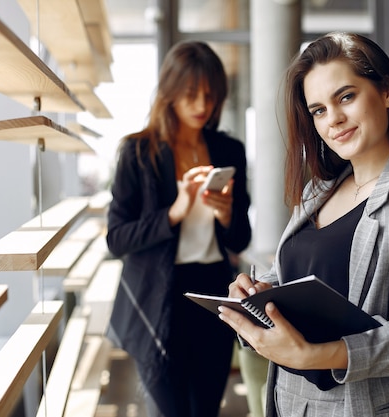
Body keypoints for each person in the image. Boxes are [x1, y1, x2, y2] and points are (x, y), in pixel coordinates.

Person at [218, 32, 389, 417]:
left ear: (387, 93)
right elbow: (292, 275)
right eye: (318, 109)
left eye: (346, 97)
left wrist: (312, 355)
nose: (333, 119)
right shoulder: (318, 189)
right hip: (290, 402)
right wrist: (261, 291)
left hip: (365, 406)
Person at [105, 40, 252, 417]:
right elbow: (117, 238)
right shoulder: (138, 153)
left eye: (210, 95)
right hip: (157, 298)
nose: (202, 105)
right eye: (191, 94)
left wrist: (225, 215)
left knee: (205, 410)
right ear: (169, 92)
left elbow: (241, 239)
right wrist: (175, 211)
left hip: (213, 299)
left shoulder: (228, 151)